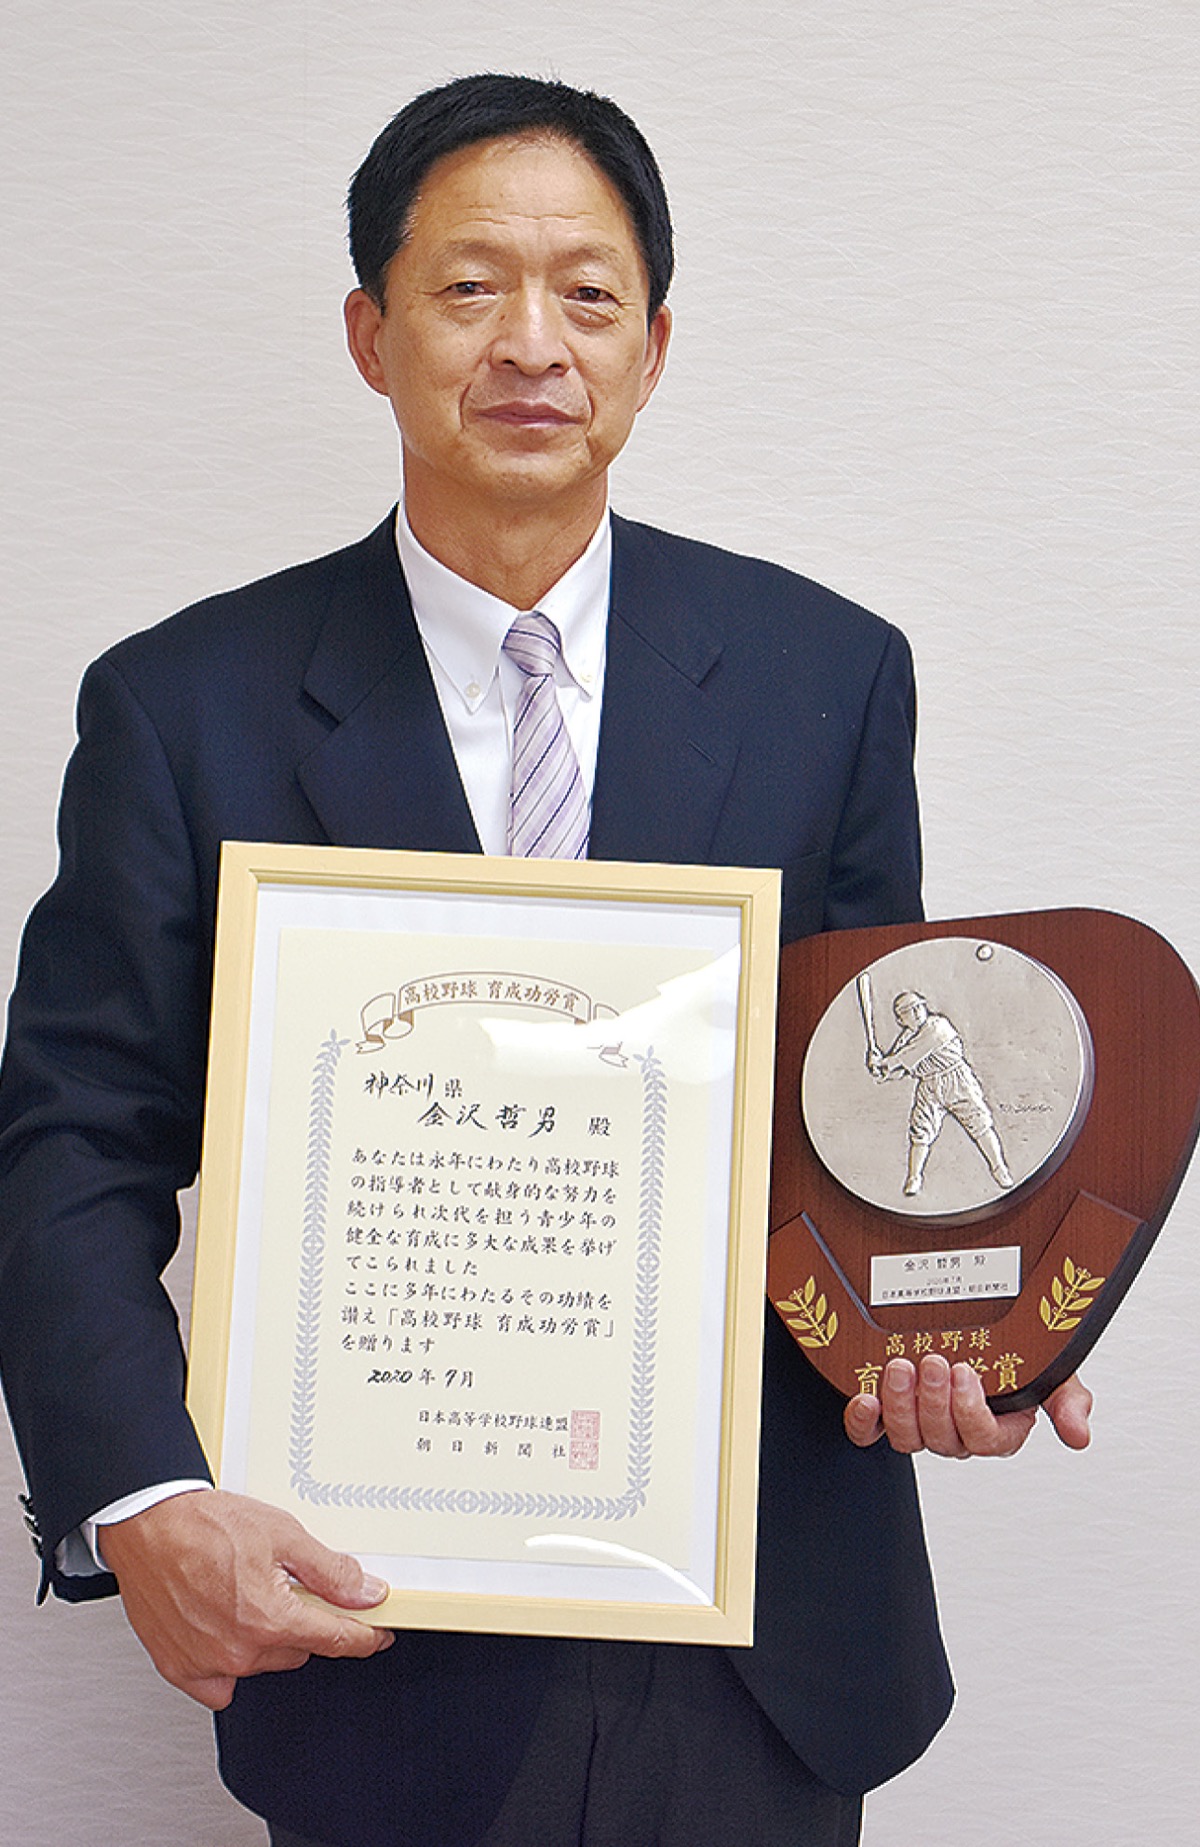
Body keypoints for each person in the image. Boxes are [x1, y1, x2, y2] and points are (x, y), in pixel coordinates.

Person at [0, 74, 1091, 1847]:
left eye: (587, 294)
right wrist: (139, 1497)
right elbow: (71, 1141)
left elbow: (854, 1125)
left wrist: (963, 1333)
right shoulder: (182, 707)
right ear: (371, 334)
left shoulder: (829, 676)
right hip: (374, 1637)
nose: (531, 342)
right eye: (468, 287)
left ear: (652, 350)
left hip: (762, 1637)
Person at [871, 990, 1014, 1195]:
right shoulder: (905, 1039)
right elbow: (901, 1069)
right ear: (900, 1020)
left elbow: (908, 1056)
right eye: (908, 1011)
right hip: (929, 1086)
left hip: (957, 1080)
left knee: (980, 1123)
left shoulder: (937, 1025)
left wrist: (884, 1062)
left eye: (918, 1006)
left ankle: (999, 1168)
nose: (916, 1012)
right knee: (921, 1131)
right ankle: (914, 1177)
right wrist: (880, 1070)